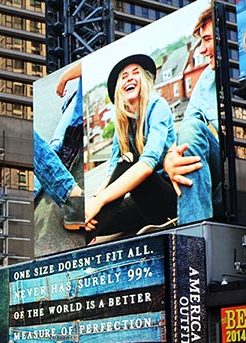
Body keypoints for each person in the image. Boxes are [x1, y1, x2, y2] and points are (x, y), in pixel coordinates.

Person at [74, 54, 177, 240]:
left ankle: (85, 239)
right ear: (119, 89)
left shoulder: (157, 106)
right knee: (96, 222)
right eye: (124, 76)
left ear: (144, 81)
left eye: (135, 73)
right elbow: (113, 170)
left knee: (130, 161)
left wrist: (101, 200)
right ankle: (85, 234)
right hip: (143, 204)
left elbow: (147, 165)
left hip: (168, 198)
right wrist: (93, 201)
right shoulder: (123, 123)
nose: (129, 78)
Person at [162, 5, 222, 225]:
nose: (203, 50)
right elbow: (187, 128)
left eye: (208, 40)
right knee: (190, 129)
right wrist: (170, 160)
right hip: (218, 170)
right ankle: (193, 233)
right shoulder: (206, 78)